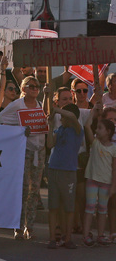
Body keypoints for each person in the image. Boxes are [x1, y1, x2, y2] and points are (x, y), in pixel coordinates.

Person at [0, 76, 46, 241]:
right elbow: (1, 119)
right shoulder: (17, 105)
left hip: (39, 151)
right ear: (23, 88)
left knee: (34, 191)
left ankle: (30, 227)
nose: (34, 89)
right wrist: (19, 131)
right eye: (31, 86)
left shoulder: (41, 104)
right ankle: (18, 227)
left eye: (37, 86)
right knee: (23, 189)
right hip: (24, 150)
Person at [46, 103, 83, 249]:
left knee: (69, 207)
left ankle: (68, 238)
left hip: (68, 172)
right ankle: (52, 238)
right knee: (53, 206)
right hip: (54, 169)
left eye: (63, 116)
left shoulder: (78, 130)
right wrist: (50, 127)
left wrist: (56, 110)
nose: (61, 119)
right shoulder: (60, 129)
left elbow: (72, 116)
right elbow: (50, 144)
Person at [83, 106, 116, 247]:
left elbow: (114, 169)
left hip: (106, 182)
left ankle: (101, 235)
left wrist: (113, 186)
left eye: (100, 128)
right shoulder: (95, 143)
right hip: (92, 180)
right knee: (90, 207)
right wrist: (93, 112)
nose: (97, 130)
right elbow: (87, 126)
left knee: (103, 209)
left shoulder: (114, 148)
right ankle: (86, 235)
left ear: (108, 132)